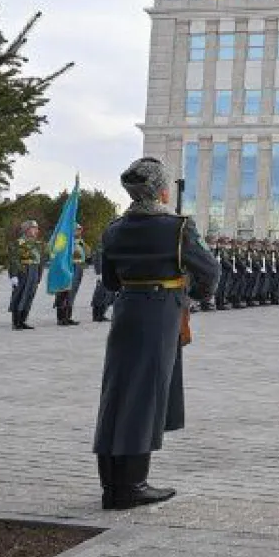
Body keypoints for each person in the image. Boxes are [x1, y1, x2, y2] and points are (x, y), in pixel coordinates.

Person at [93, 157, 219, 511]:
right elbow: (209, 270)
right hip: (160, 312)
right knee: (145, 395)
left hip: (126, 311)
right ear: (163, 190)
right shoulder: (177, 227)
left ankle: (111, 485)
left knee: (116, 393)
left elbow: (110, 280)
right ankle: (131, 486)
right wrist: (197, 295)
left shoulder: (114, 228)